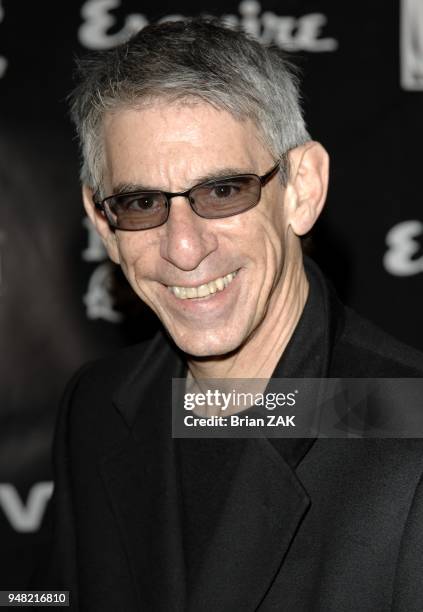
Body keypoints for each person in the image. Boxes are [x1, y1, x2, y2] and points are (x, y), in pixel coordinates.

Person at [43, 18, 423, 611]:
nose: (184, 249)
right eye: (142, 204)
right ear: (104, 225)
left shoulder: (409, 429)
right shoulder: (97, 405)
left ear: (301, 189)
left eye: (223, 191)